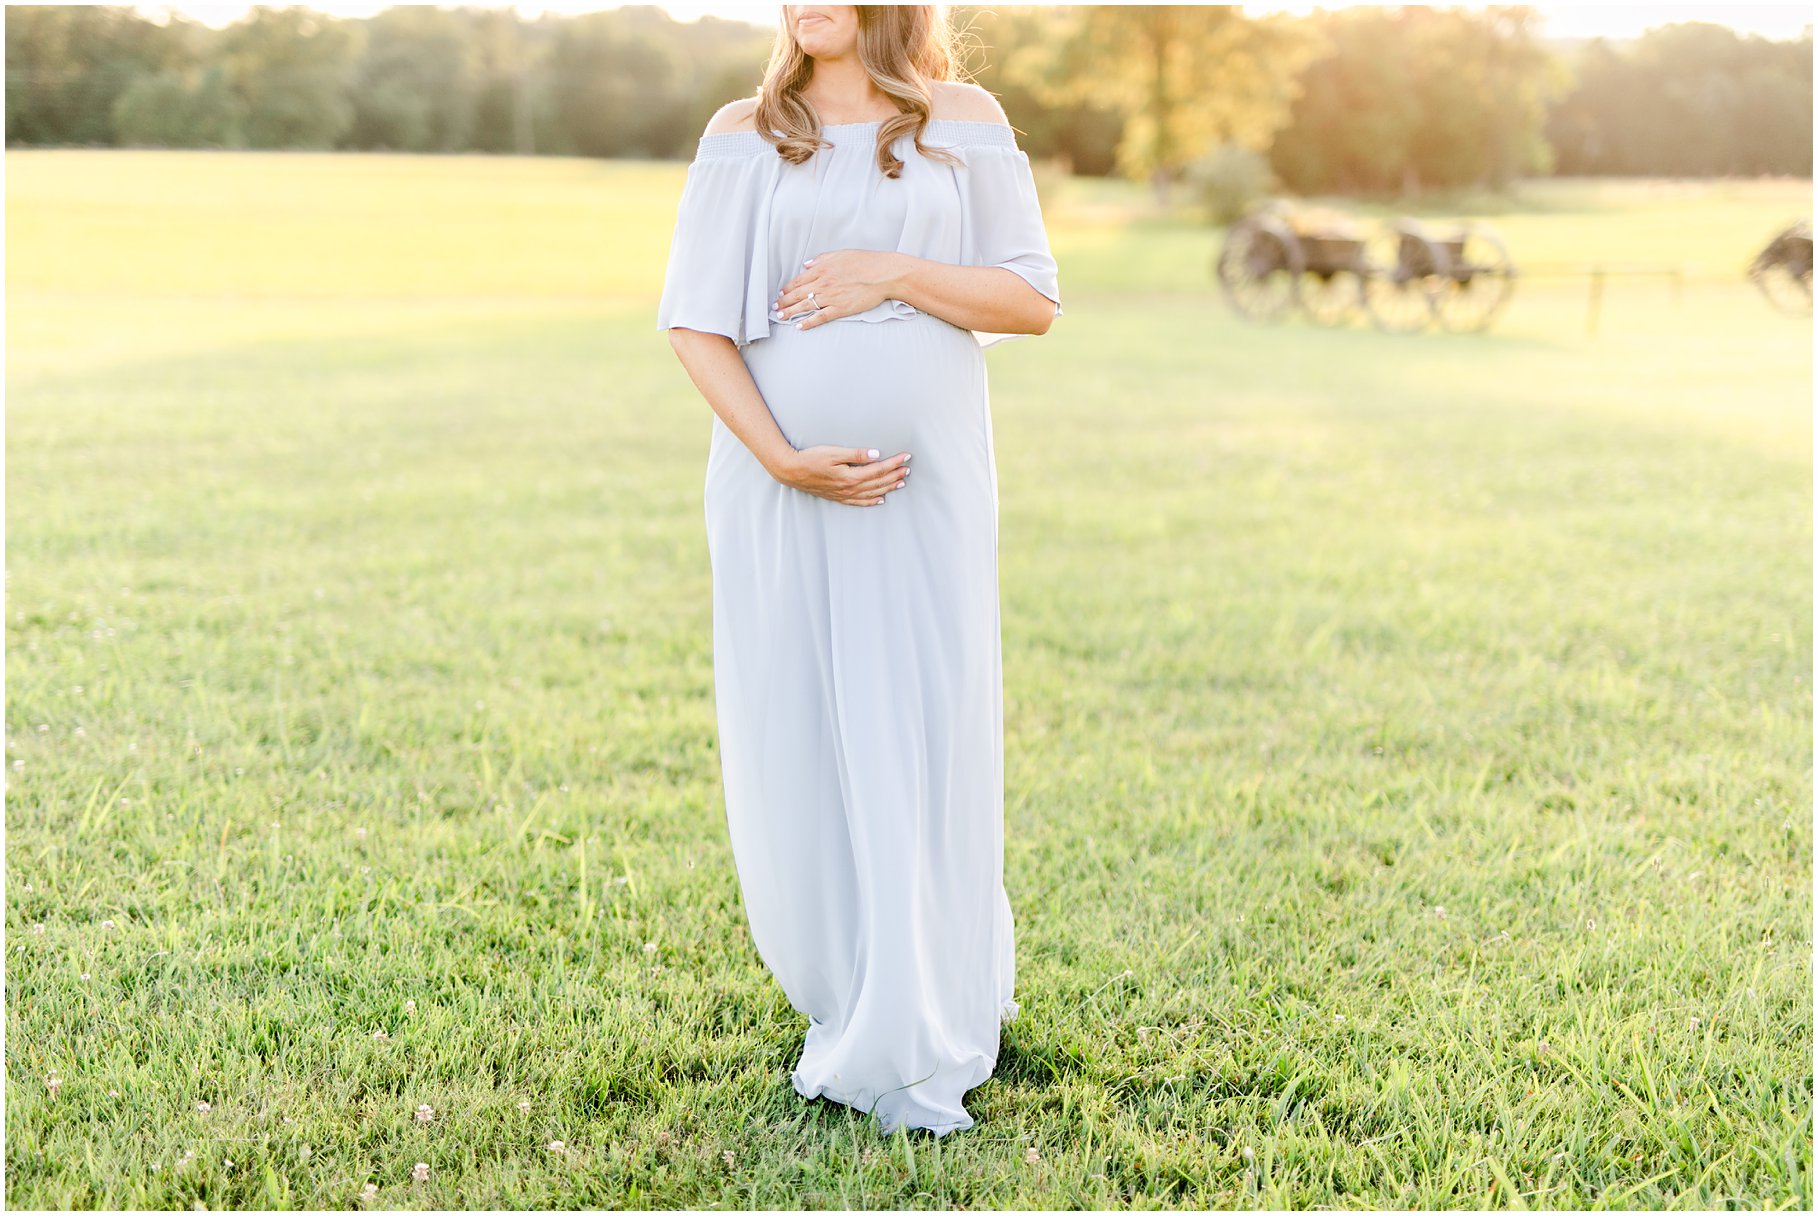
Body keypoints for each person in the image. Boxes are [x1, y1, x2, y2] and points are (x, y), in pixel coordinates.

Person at [655, 3, 1062, 1137]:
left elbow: (1029, 300)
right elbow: (697, 322)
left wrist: (893, 270)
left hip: (928, 494)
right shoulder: (746, 129)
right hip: (780, 490)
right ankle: (848, 992)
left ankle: (927, 1000)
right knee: (808, 734)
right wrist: (784, 458)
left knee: (920, 724)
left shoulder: (963, 121)